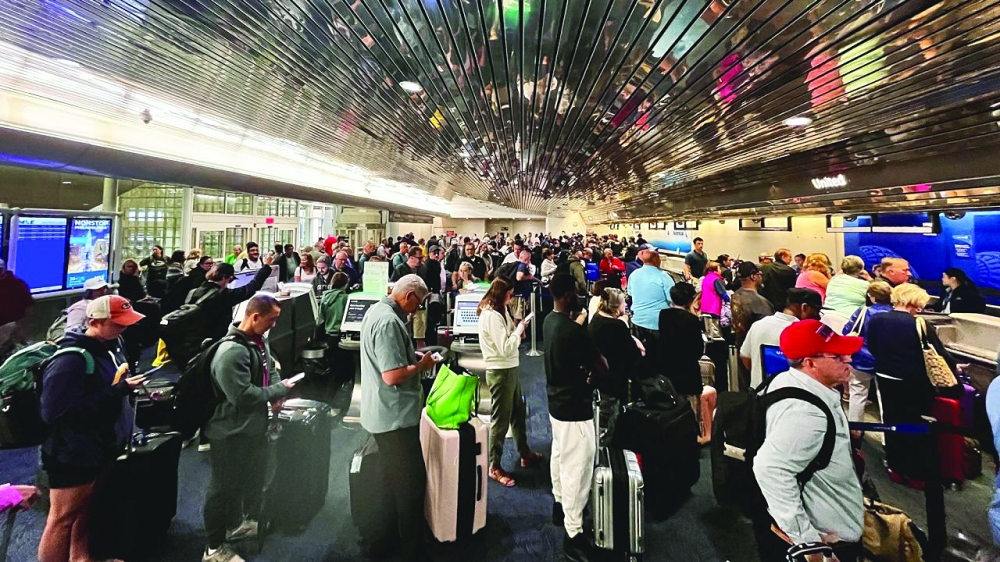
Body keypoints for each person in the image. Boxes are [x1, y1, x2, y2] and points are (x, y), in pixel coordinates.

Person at [38, 296, 147, 562]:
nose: (124, 328)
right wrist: (118, 391)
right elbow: (54, 412)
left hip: (98, 444)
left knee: (83, 509)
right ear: (95, 322)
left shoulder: (108, 347)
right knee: (62, 519)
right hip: (72, 452)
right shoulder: (71, 359)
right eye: (118, 323)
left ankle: (81, 557)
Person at [752, 319, 864, 562]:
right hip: (824, 541)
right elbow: (770, 469)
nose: (849, 359)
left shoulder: (788, 380)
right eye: (838, 356)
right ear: (810, 363)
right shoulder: (806, 413)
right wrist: (808, 543)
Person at [202, 295, 296, 562]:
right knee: (222, 489)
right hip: (229, 433)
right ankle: (213, 547)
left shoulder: (258, 341)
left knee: (247, 480)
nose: (274, 325)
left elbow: (270, 367)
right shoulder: (231, 352)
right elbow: (241, 395)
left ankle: (235, 525)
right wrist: (277, 390)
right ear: (255, 317)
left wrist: (276, 390)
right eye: (272, 319)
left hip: (251, 428)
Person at [360, 275, 439, 562]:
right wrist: (422, 365)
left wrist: (408, 354)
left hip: (382, 414)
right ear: (409, 296)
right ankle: (410, 551)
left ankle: (388, 540)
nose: (417, 310)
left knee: (389, 481)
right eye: (419, 303)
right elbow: (392, 375)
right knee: (410, 486)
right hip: (395, 419)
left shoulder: (376, 311)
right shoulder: (389, 322)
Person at [866, 283, 960, 487]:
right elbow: (939, 353)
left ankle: (895, 465)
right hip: (912, 382)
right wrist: (956, 369)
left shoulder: (876, 319)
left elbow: (872, 346)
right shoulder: (919, 324)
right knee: (916, 424)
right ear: (915, 301)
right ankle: (916, 471)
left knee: (891, 420)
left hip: (884, 377)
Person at [543, 274, 606, 562]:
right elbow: (602, 365)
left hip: (556, 403)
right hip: (575, 409)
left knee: (560, 454)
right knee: (578, 469)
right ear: (568, 294)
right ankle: (574, 533)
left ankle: (559, 504)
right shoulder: (575, 332)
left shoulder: (550, 321)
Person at [476, 278, 542, 487]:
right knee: (501, 420)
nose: (511, 298)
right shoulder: (491, 316)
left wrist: (516, 327)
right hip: (500, 371)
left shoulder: (501, 311)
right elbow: (505, 348)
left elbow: (509, 338)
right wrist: (519, 329)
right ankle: (494, 466)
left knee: (518, 413)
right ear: (501, 294)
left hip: (509, 368)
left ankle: (524, 453)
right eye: (509, 294)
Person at [740, 288, 822, 388]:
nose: (818, 317)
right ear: (804, 307)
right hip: (792, 394)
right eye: (816, 311)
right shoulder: (806, 333)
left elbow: (745, 356)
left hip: (759, 393)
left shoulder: (759, 324)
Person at [841, 281, 893, 422]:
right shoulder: (894, 314)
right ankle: (886, 429)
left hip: (861, 358)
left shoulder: (863, 311)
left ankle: (855, 428)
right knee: (884, 398)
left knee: (857, 394)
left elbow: (846, 330)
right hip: (885, 360)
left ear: (872, 297)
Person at [187, 263, 274, 344]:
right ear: (224, 277)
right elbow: (252, 287)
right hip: (211, 341)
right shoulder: (223, 296)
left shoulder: (194, 292)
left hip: (192, 339)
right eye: (230, 280)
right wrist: (266, 266)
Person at [589, 288, 644, 403]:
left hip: (598, 375)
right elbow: (634, 354)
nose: (626, 305)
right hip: (615, 379)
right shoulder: (617, 326)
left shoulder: (596, 317)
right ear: (616, 306)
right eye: (624, 302)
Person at [657, 283, 703, 414]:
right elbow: (698, 350)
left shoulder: (663, 315)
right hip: (687, 371)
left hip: (667, 369)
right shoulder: (692, 320)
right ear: (690, 300)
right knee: (690, 410)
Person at [629, 251, 674, 368]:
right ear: (656, 261)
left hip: (637, 320)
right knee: (657, 357)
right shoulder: (664, 277)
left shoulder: (634, 274)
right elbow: (672, 298)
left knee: (640, 354)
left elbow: (630, 293)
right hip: (657, 323)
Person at [731, 261, 775, 351]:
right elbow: (768, 330)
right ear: (753, 276)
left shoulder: (736, 294)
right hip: (756, 349)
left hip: (741, 346)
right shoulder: (760, 302)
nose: (761, 277)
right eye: (759, 274)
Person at [823, 256, 871, 332]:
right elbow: (880, 291)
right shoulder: (865, 285)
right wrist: (869, 278)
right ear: (861, 269)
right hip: (848, 320)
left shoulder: (833, 280)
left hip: (825, 317)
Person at [0, 258, 33, 360]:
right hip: (15, 332)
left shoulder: (15, 286)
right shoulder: (20, 284)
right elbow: (28, 308)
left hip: (9, 332)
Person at [512, 249, 537, 322]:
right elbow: (519, 277)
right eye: (529, 259)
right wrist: (528, 277)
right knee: (518, 318)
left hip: (517, 295)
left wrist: (539, 281)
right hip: (519, 296)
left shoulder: (518, 265)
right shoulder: (522, 265)